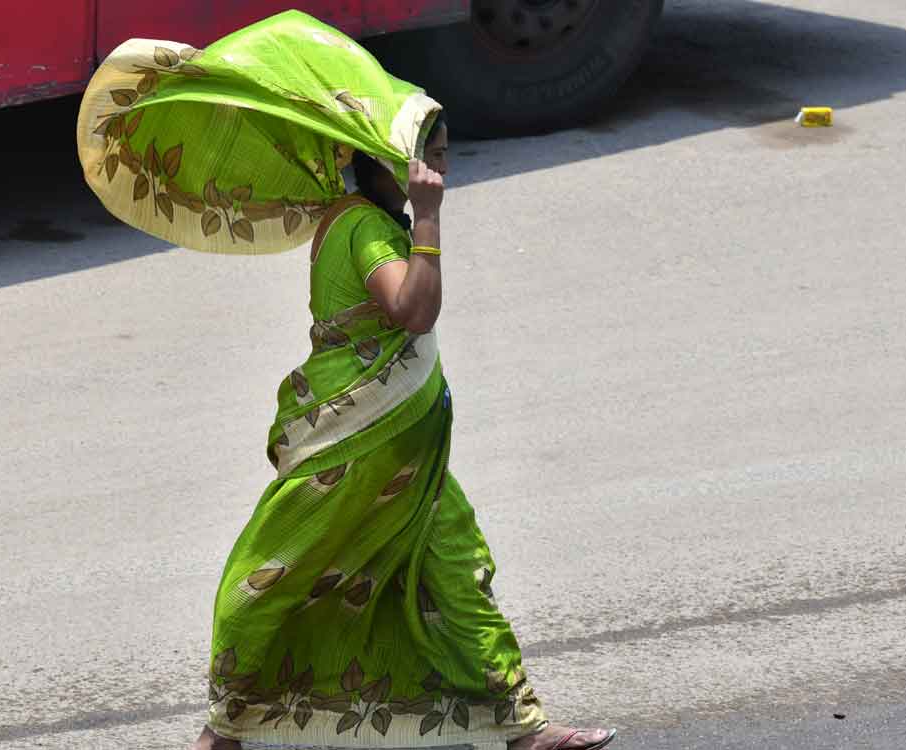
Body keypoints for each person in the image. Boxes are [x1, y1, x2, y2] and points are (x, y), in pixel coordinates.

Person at [190, 114, 615, 750]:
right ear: (383, 159)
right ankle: (221, 734)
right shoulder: (364, 227)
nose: (438, 173)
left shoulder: (384, 223)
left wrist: (419, 220)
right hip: (352, 450)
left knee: (457, 573)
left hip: (409, 459)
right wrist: (432, 220)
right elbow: (413, 312)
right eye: (425, 159)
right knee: (277, 578)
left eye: (444, 157)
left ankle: (524, 729)